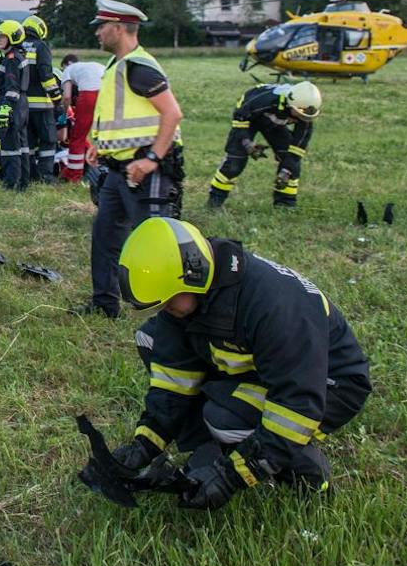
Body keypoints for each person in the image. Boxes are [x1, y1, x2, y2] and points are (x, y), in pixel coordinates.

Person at [91, 217, 370, 509]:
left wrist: (231, 476)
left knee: (224, 419)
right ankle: (211, 448)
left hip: (328, 385)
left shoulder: (275, 308)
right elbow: (174, 379)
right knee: (151, 339)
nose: (166, 310)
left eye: (169, 301)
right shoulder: (193, 292)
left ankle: (308, 473)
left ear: (193, 274)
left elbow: (296, 404)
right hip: (269, 369)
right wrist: (146, 443)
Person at [77, 0, 184, 318]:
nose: (97, 33)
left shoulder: (139, 66)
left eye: (101, 27)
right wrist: (101, 145)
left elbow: (172, 114)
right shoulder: (116, 66)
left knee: (156, 243)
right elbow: (122, 116)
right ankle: (104, 304)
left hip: (146, 171)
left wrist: (152, 158)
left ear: (119, 28)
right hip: (117, 170)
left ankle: (173, 313)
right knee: (105, 238)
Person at [208, 82, 321, 209]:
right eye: (299, 113)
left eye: (306, 115)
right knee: (235, 162)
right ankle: (215, 202)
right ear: (290, 103)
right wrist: (247, 143)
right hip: (247, 120)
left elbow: (298, 146)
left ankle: (285, 205)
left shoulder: (305, 113)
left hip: (274, 124)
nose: (301, 117)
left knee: (291, 162)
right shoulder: (265, 100)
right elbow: (240, 117)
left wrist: (286, 170)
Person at [21, 14, 63, 181]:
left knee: (28, 142)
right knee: (48, 141)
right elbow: (46, 75)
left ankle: (30, 174)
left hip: (22, 106)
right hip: (42, 106)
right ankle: (45, 175)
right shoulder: (41, 47)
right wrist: (57, 98)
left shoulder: (17, 47)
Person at [0, 19, 29, 189]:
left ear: (12, 37)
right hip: (21, 106)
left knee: (10, 147)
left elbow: (12, 88)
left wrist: (4, 109)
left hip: (12, 105)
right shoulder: (15, 56)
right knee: (22, 146)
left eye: (2, 36)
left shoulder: (12, 59)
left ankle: (11, 183)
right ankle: (23, 182)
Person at [60, 52, 106, 182]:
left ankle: (74, 175)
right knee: (106, 135)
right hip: (108, 93)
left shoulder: (67, 71)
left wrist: (64, 114)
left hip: (88, 94)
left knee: (78, 136)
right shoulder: (95, 65)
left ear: (64, 65)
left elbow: (67, 96)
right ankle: (107, 169)